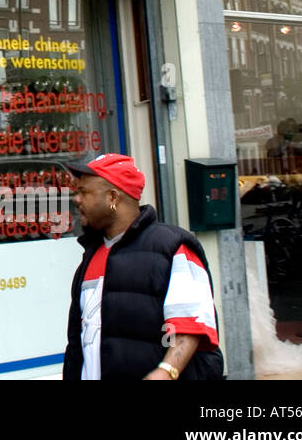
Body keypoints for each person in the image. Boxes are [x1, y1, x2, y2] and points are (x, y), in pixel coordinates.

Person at [63, 153, 224, 380]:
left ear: (113, 197)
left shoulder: (172, 247)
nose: (76, 199)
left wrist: (167, 371)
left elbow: (191, 324)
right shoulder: (90, 256)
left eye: (84, 192)